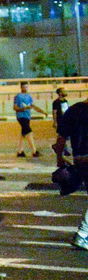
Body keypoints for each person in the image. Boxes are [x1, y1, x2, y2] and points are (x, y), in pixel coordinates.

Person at [52, 97, 88, 252]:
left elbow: (60, 139)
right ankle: (83, 234)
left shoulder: (73, 110)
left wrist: (60, 159)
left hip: (80, 160)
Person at [13, 81, 46, 158]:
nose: (25, 88)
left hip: (27, 116)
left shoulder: (29, 96)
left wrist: (42, 111)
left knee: (23, 134)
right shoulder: (18, 96)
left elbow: (32, 106)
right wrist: (24, 108)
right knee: (29, 132)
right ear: (21, 87)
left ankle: (20, 151)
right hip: (21, 116)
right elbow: (15, 108)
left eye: (26, 87)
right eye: (24, 87)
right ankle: (34, 151)